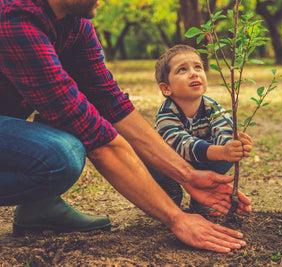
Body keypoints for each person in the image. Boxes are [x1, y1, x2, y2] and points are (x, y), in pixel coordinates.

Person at [0, 0, 252, 253]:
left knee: (67, 121)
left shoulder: (76, 23)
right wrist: (177, 218)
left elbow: (111, 104)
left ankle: (39, 206)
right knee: (61, 156)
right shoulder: (15, 18)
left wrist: (187, 175)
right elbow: (98, 140)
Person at [152, 45, 253, 215]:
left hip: (201, 161)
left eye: (197, 67)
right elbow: (183, 145)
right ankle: (169, 193)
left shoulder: (211, 106)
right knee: (151, 158)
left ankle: (200, 200)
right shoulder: (166, 114)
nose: (193, 73)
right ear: (166, 88)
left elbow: (224, 128)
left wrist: (233, 146)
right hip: (172, 165)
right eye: (182, 70)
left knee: (226, 155)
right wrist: (220, 151)